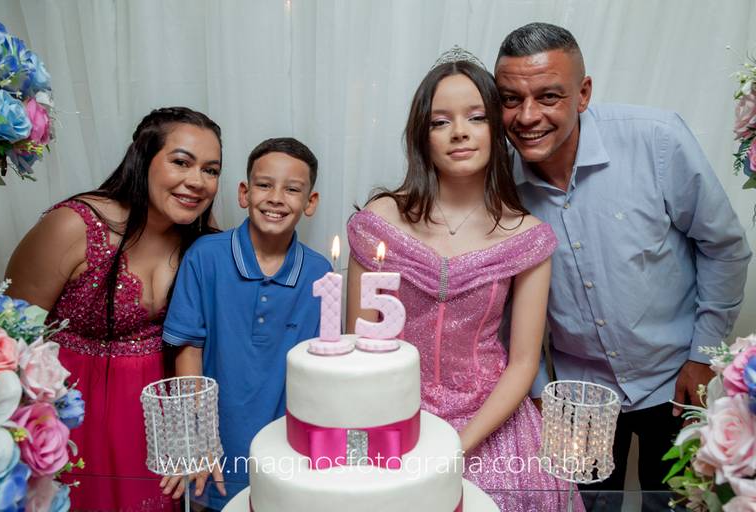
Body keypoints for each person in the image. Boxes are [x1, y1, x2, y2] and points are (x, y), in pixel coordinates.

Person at [494, 23, 753, 511]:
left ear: (583, 93)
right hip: (576, 399)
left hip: (678, 381)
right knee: (582, 507)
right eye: (511, 99)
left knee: (679, 504)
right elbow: (501, 300)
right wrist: (536, 391)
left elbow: (723, 247)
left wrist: (702, 355)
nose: (527, 116)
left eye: (548, 96)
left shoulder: (657, 140)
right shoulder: (496, 182)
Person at [346, 52, 583, 511]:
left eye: (476, 117)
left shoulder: (527, 236)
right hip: (391, 413)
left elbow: (523, 363)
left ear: (497, 129)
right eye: (440, 121)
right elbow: (358, 343)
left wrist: (455, 448)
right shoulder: (378, 221)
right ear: (423, 135)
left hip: (489, 424)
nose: (459, 131)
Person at [5, 106, 223, 511]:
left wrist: (193, 433)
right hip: (75, 420)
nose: (197, 181)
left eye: (211, 170)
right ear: (143, 159)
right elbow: (7, 342)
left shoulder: (203, 245)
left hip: (156, 426)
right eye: (181, 162)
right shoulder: (74, 226)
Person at [162, 137, 332, 509]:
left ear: (310, 202)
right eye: (265, 185)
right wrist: (198, 438)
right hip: (215, 443)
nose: (276, 198)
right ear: (244, 193)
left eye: (292, 189)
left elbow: (320, 367)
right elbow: (189, 351)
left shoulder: (321, 273)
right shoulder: (205, 257)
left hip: (288, 449)